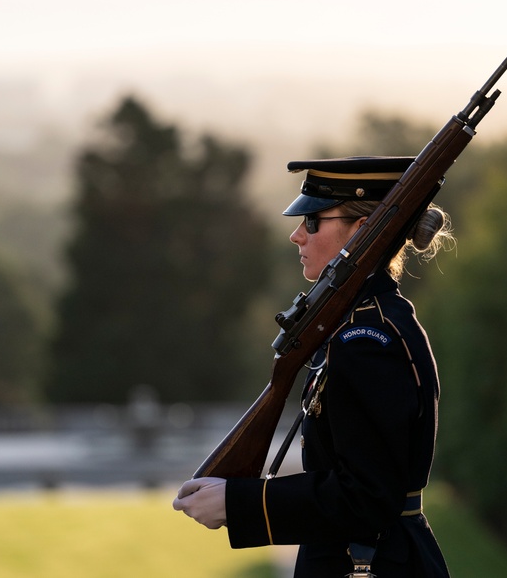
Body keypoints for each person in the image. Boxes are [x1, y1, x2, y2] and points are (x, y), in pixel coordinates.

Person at [173, 156, 454, 577]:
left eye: (313, 221)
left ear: (361, 232)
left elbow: (366, 497)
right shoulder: (363, 322)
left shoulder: (365, 340)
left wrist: (239, 501)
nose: (296, 235)